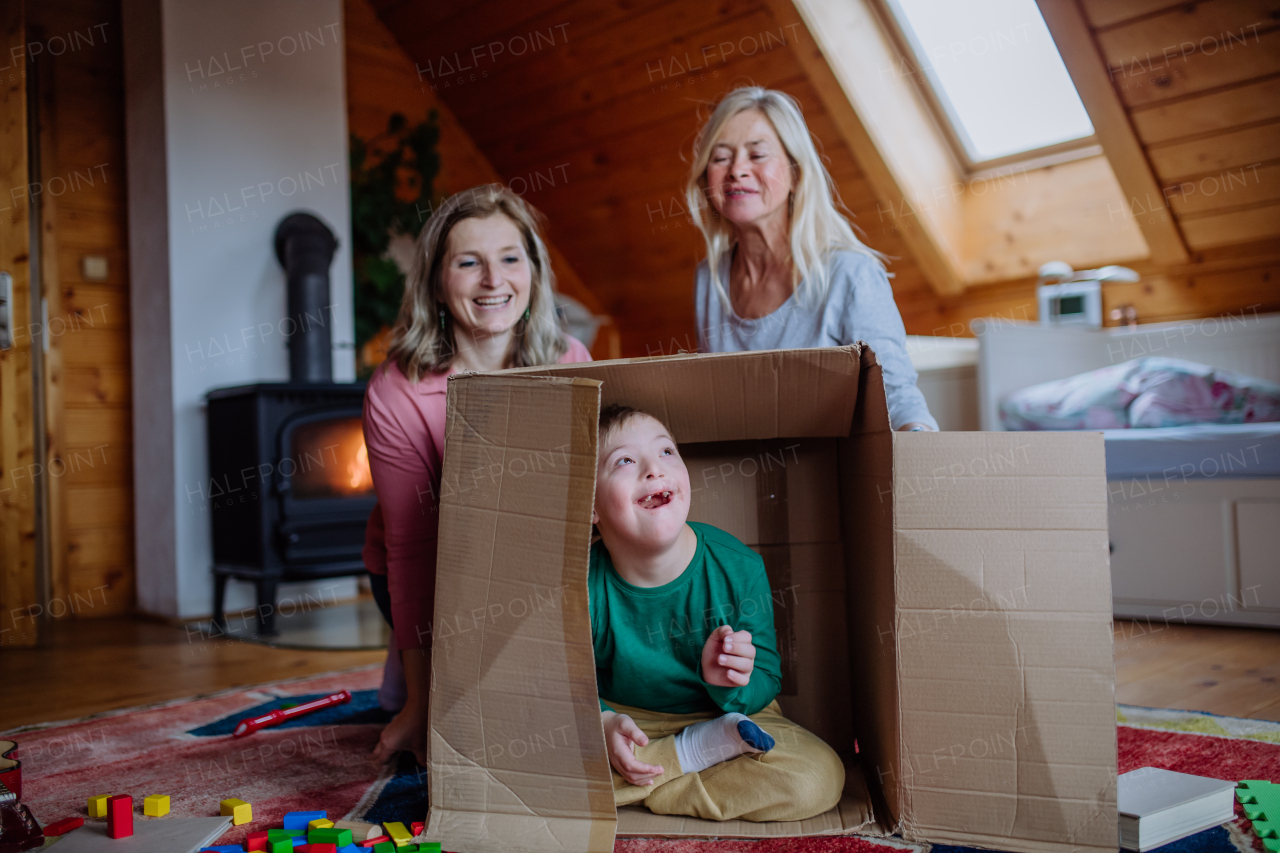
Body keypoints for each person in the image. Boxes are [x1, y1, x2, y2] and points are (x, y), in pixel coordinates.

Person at [361, 184, 592, 764]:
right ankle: (411, 673)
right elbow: (410, 551)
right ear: (438, 282)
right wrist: (421, 702)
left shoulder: (572, 361)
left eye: (510, 258)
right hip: (439, 567)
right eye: (469, 263)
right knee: (460, 729)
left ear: (533, 272)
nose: (494, 280)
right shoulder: (397, 390)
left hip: (536, 565)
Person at [590, 404, 845, 821]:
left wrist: (730, 684)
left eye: (667, 452)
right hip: (630, 724)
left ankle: (656, 777)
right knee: (525, 763)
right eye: (624, 461)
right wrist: (601, 720)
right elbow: (564, 684)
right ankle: (681, 762)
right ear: (590, 506)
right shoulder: (582, 582)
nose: (654, 469)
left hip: (729, 718)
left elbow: (767, 678)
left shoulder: (737, 566)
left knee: (818, 777)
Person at [687, 87, 938, 431]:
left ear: (796, 173)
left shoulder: (852, 275)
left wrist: (919, 460)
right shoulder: (708, 279)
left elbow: (897, 398)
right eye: (720, 158)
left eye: (757, 155)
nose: (736, 170)